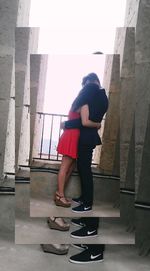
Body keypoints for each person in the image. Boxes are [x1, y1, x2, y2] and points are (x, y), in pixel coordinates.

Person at [63, 73, 109, 213]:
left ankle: (87, 203)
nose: (86, 88)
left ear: (94, 81)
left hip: (86, 138)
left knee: (85, 171)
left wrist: (67, 124)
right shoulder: (101, 96)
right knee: (83, 170)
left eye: (87, 85)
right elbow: (91, 120)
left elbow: (85, 121)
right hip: (88, 137)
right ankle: (84, 198)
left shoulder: (96, 97)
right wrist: (97, 124)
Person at [54, 79, 102, 208]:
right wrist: (97, 124)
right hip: (72, 136)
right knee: (65, 167)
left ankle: (60, 193)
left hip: (73, 135)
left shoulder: (78, 102)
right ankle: (60, 195)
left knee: (69, 167)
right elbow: (83, 122)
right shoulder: (84, 104)